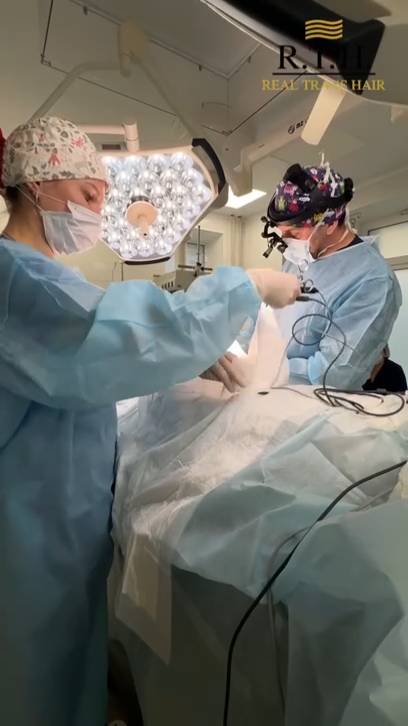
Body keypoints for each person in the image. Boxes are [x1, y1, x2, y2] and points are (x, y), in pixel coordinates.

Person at [0, 116, 300, 726]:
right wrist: (245, 287)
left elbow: (100, 360)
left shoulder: (45, 278)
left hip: (57, 518)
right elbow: (113, 338)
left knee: (64, 657)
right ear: (35, 183)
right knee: (33, 673)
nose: (96, 210)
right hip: (29, 529)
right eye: (87, 194)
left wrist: (187, 357)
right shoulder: (15, 279)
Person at [264, 162, 402, 389]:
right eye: (282, 233)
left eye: (294, 234)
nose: (287, 243)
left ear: (329, 223)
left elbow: (334, 374)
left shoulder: (373, 280)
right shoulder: (298, 260)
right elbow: (272, 317)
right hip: (273, 389)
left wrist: (265, 367)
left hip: (317, 400)